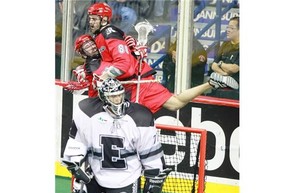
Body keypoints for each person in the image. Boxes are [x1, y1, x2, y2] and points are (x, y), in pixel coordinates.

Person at [77, 2, 239, 114]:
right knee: (175, 104)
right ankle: (210, 83)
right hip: (132, 83)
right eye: (90, 18)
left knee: (134, 119)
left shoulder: (108, 33)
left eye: (94, 19)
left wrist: (104, 76)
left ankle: (210, 83)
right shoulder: (101, 36)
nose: (91, 22)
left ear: (104, 19)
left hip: (138, 82)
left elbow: (123, 63)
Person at [63, 77, 171, 193]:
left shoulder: (140, 116)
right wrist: (76, 162)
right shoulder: (87, 112)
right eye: (113, 96)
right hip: (95, 174)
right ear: (103, 97)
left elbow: (150, 150)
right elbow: (78, 142)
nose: (117, 99)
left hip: (126, 178)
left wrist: (154, 175)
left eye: (119, 95)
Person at [208, 16, 240, 100]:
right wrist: (224, 75)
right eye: (228, 27)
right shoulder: (225, 44)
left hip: (235, 92)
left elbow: (234, 68)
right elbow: (214, 65)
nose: (228, 30)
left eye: (232, 28)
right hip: (220, 89)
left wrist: (221, 64)